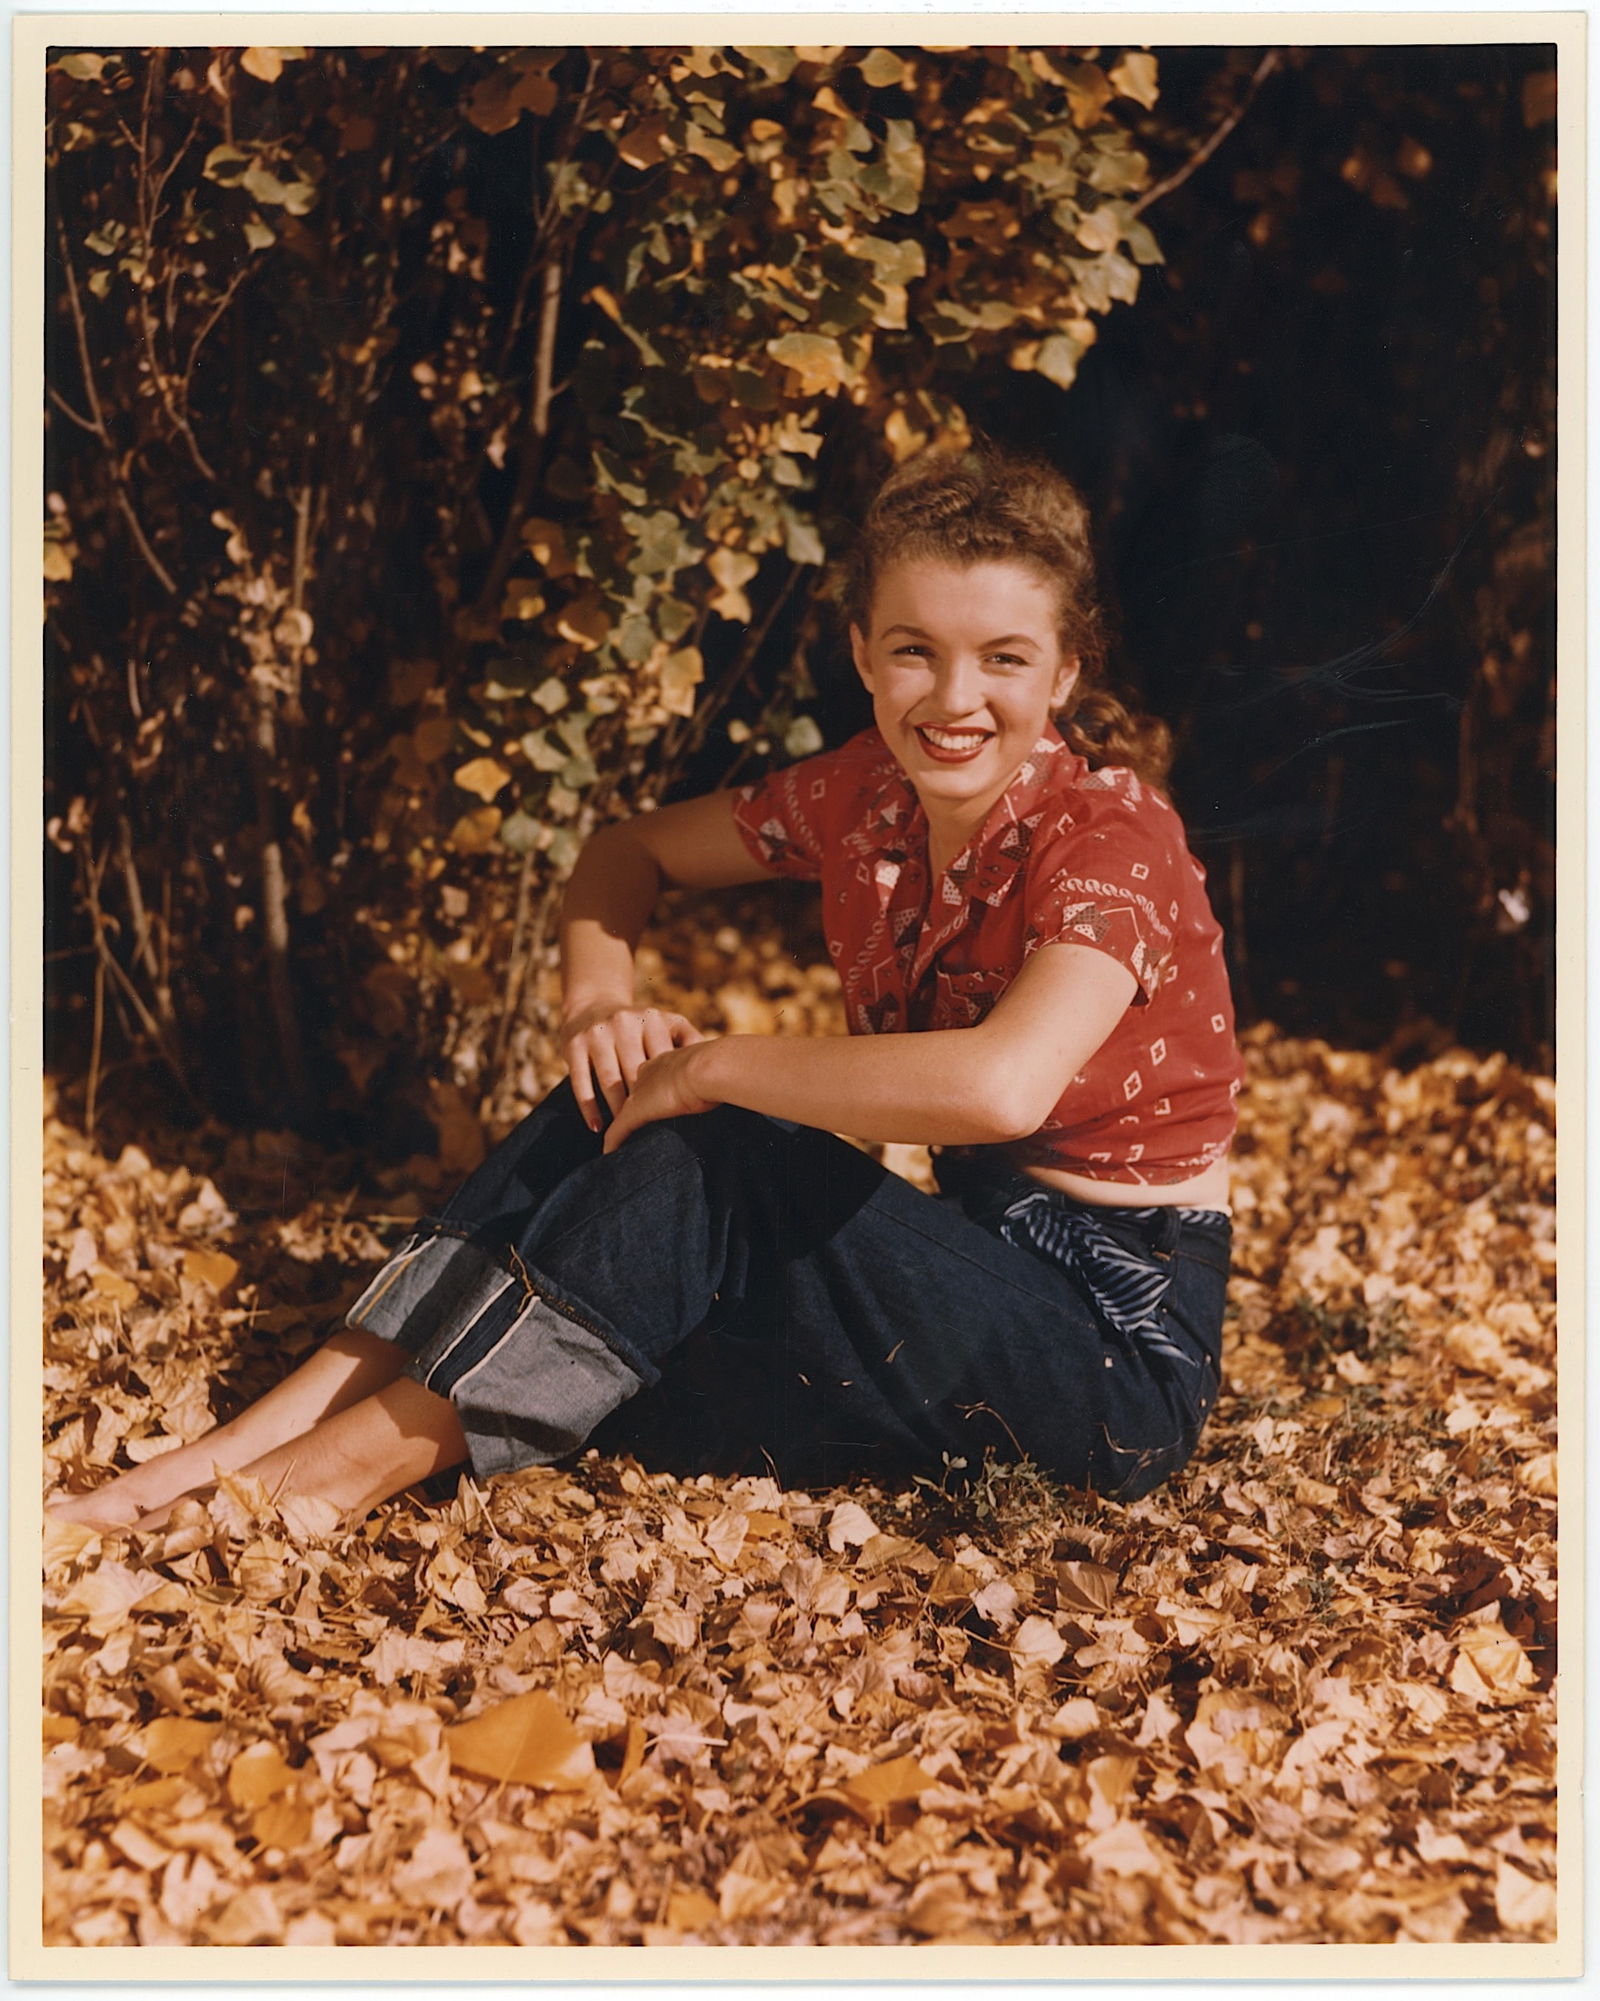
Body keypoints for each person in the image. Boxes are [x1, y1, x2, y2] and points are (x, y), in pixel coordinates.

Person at [49, 445, 1241, 1535]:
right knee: (613, 1103)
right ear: (862, 652)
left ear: (1067, 673)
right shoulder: (865, 793)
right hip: (944, 1288)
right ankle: (236, 1449)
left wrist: (709, 1062)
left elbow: (1000, 1088)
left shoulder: (1112, 839)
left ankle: (322, 1480)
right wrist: (599, 1014)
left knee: (709, 1140)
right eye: (915, 650)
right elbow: (625, 852)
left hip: (1106, 1363)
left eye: (1004, 658)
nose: (953, 697)